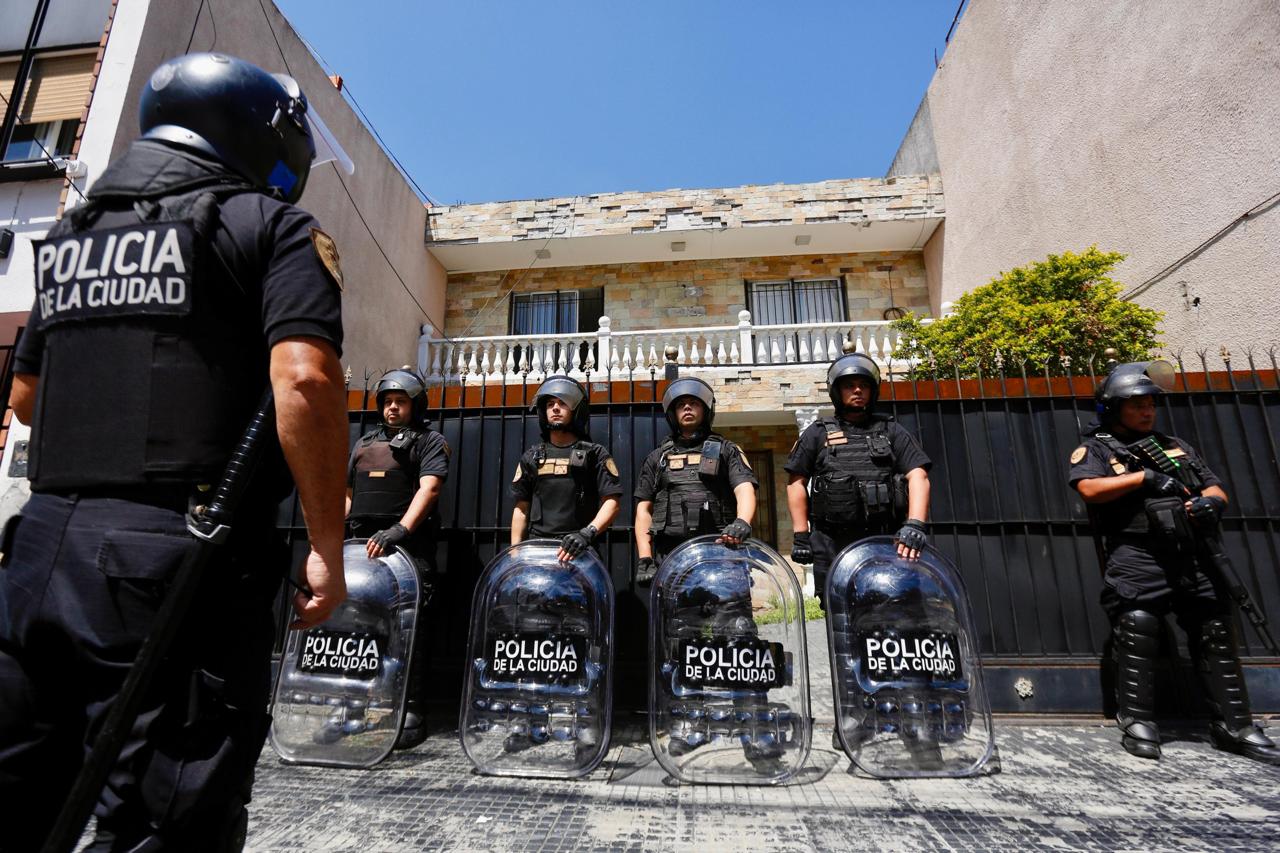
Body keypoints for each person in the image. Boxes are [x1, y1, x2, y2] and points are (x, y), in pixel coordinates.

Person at [0, 53, 348, 851]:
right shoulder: (272, 225)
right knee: (166, 816)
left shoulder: (73, 233)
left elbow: (24, 398)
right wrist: (326, 545)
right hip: (174, 559)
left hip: (40, 550)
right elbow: (303, 382)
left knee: (19, 791)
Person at [1069, 360, 1280, 765]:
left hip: (1192, 550)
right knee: (1138, 626)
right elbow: (1090, 489)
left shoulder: (1173, 445)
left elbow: (1216, 487)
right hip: (1138, 552)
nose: (1147, 411)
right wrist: (1141, 479)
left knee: (1215, 630)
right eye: (1136, 405)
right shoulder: (1097, 447)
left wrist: (1209, 503)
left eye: (1150, 404)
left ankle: (1234, 723)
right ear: (1114, 408)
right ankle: (1137, 721)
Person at [346, 367, 449, 749]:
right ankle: (353, 709)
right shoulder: (364, 443)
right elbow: (347, 491)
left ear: (415, 406)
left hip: (407, 548)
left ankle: (409, 711)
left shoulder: (429, 440)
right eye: (387, 402)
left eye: (400, 402)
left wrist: (400, 530)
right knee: (359, 629)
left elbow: (430, 488)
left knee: (409, 630)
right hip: (361, 549)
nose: (392, 408)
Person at [785, 351, 932, 606]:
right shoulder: (817, 433)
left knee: (892, 608)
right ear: (837, 391)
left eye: (864, 385)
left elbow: (918, 474)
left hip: (885, 539)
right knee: (840, 617)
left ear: (873, 391)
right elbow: (796, 482)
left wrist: (915, 524)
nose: (857, 390)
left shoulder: (891, 431)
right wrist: (800, 535)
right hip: (831, 543)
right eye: (850, 385)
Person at [633, 376, 757, 582]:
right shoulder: (658, 457)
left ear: (706, 409)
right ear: (673, 413)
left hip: (722, 551)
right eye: (681, 405)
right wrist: (645, 557)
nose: (687, 408)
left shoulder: (727, 450)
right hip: (671, 556)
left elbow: (744, 488)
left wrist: (742, 521)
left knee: (731, 613)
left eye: (694, 403)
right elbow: (643, 509)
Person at [510, 375, 622, 560]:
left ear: (576, 410)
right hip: (538, 551)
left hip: (579, 551)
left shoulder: (595, 454)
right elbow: (521, 508)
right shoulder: (532, 456)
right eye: (549, 404)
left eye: (562, 403)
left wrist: (586, 534)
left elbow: (612, 503)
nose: (555, 408)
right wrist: (514, 553)